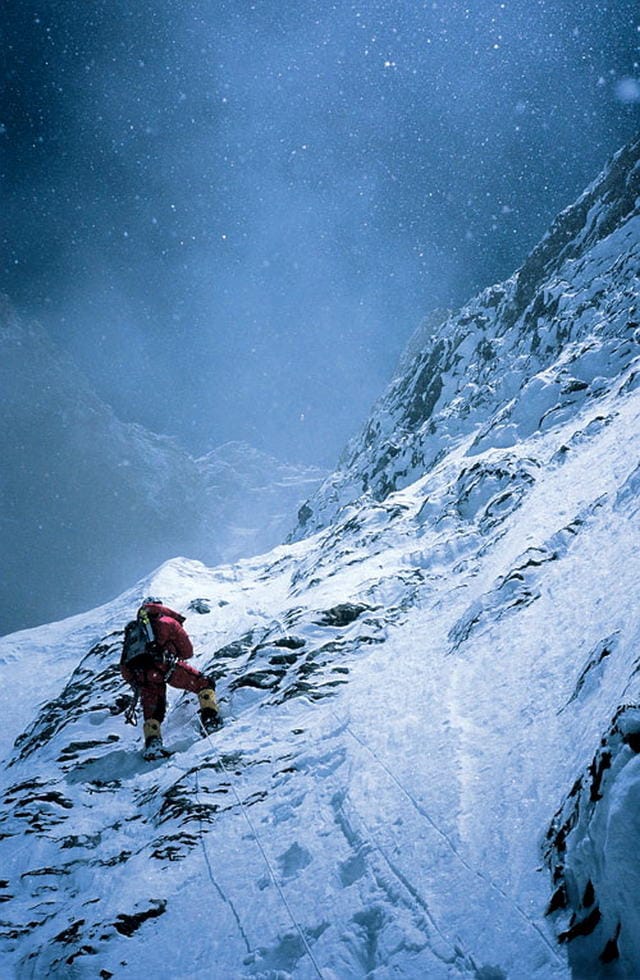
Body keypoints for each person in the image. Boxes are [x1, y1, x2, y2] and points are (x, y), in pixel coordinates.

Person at [120, 596, 222, 757]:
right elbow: (187, 651)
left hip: (143, 676)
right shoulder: (167, 621)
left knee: (153, 711)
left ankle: (153, 744)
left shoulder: (134, 631)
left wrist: (136, 680)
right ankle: (210, 719)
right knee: (204, 683)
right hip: (165, 666)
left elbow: (124, 665)